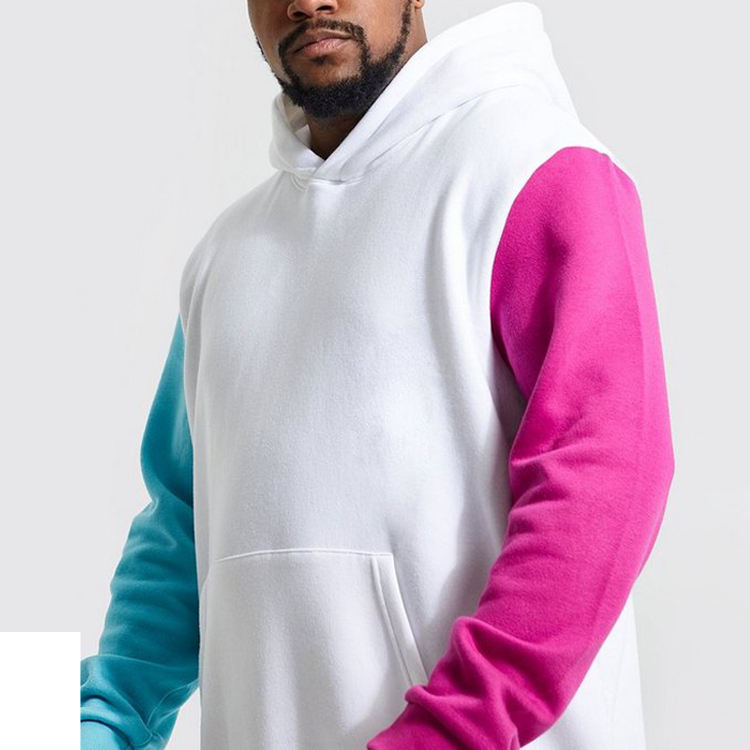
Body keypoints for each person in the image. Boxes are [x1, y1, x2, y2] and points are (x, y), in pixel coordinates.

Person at [80, 2, 676, 749]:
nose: (308, 1)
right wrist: (103, 721)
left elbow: (604, 481)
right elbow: (182, 525)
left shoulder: (531, 168)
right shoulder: (226, 256)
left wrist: (447, 732)